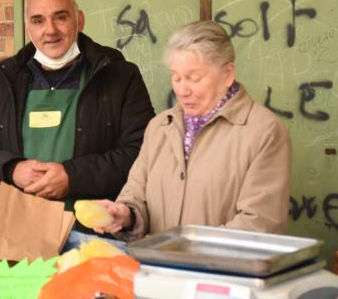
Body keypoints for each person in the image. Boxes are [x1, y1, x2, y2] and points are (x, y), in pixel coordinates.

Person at [0, 0, 155, 226]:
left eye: (60, 17)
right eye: (38, 21)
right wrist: (12, 169)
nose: (50, 30)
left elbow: (142, 154)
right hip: (18, 232)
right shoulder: (5, 82)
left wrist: (72, 177)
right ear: (28, 28)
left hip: (95, 230)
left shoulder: (119, 77)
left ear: (79, 20)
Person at [94, 20, 291, 240]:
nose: (182, 89)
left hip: (223, 273)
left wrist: (185, 250)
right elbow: (135, 195)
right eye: (176, 77)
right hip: (160, 270)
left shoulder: (264, 131)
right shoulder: (159, 127)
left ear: (227, 74)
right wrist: (124, 214)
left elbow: (260, 223)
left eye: (194, 78)